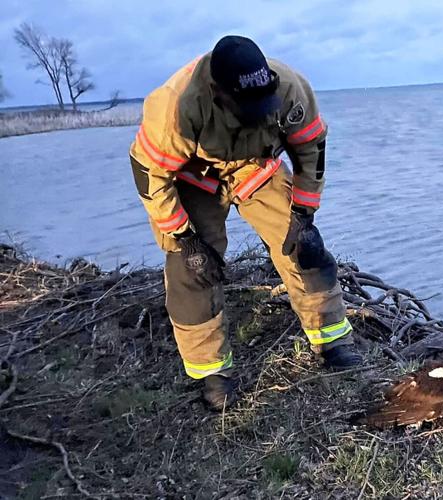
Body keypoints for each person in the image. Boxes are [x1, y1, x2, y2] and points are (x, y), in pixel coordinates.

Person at [128, 35, 361, 410]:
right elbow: (150, 175)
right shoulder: (175, 106)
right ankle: (212, 373)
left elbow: (310, 150)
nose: (260, 109)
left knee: (304, 248)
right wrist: (186, 240)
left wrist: (304, 215)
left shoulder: (289, 89)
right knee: (191, 271)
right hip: (195, 176)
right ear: (218, 93)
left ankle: (333, 340)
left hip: (256, 167)